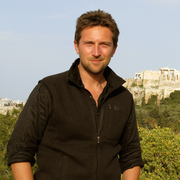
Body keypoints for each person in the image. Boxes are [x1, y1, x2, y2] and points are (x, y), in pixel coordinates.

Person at [7, 9, 144, 180]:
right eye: (89, 43)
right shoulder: (49, 89)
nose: (96, 52)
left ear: (114, 49)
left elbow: (131, 156)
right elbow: (19, 150)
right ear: (76, 46)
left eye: (104, 44)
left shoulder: (123, 97)